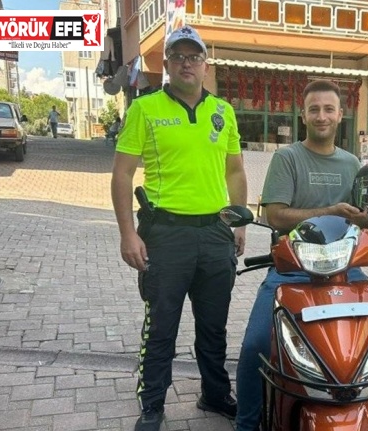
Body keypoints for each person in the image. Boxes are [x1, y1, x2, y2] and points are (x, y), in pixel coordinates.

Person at [235, 80, 368, 431]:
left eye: (329, 109)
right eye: (315, 109)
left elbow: (363, 217)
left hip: (347, 271)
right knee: (256, 344)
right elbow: (275, 215)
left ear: (340, 115)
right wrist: (330, 210)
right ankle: (247, 423)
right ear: (304, 115)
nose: (322, 116)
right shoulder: (287, 158)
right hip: (292, 271)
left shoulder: (353, 164)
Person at [111, 25, 247, 431]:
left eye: (195, 56)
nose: (187, 63)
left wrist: (239, 221)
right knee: (161, 326)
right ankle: (152, 404)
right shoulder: (145, 109)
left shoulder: (223, 112)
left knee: (213, 326)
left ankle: (215, 394)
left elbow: (237, 170)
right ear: (167, 64)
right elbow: (121, 176)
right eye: (179, 56)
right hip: (165, 235)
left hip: (215, 234)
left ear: (206, 65)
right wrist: (127, 234)